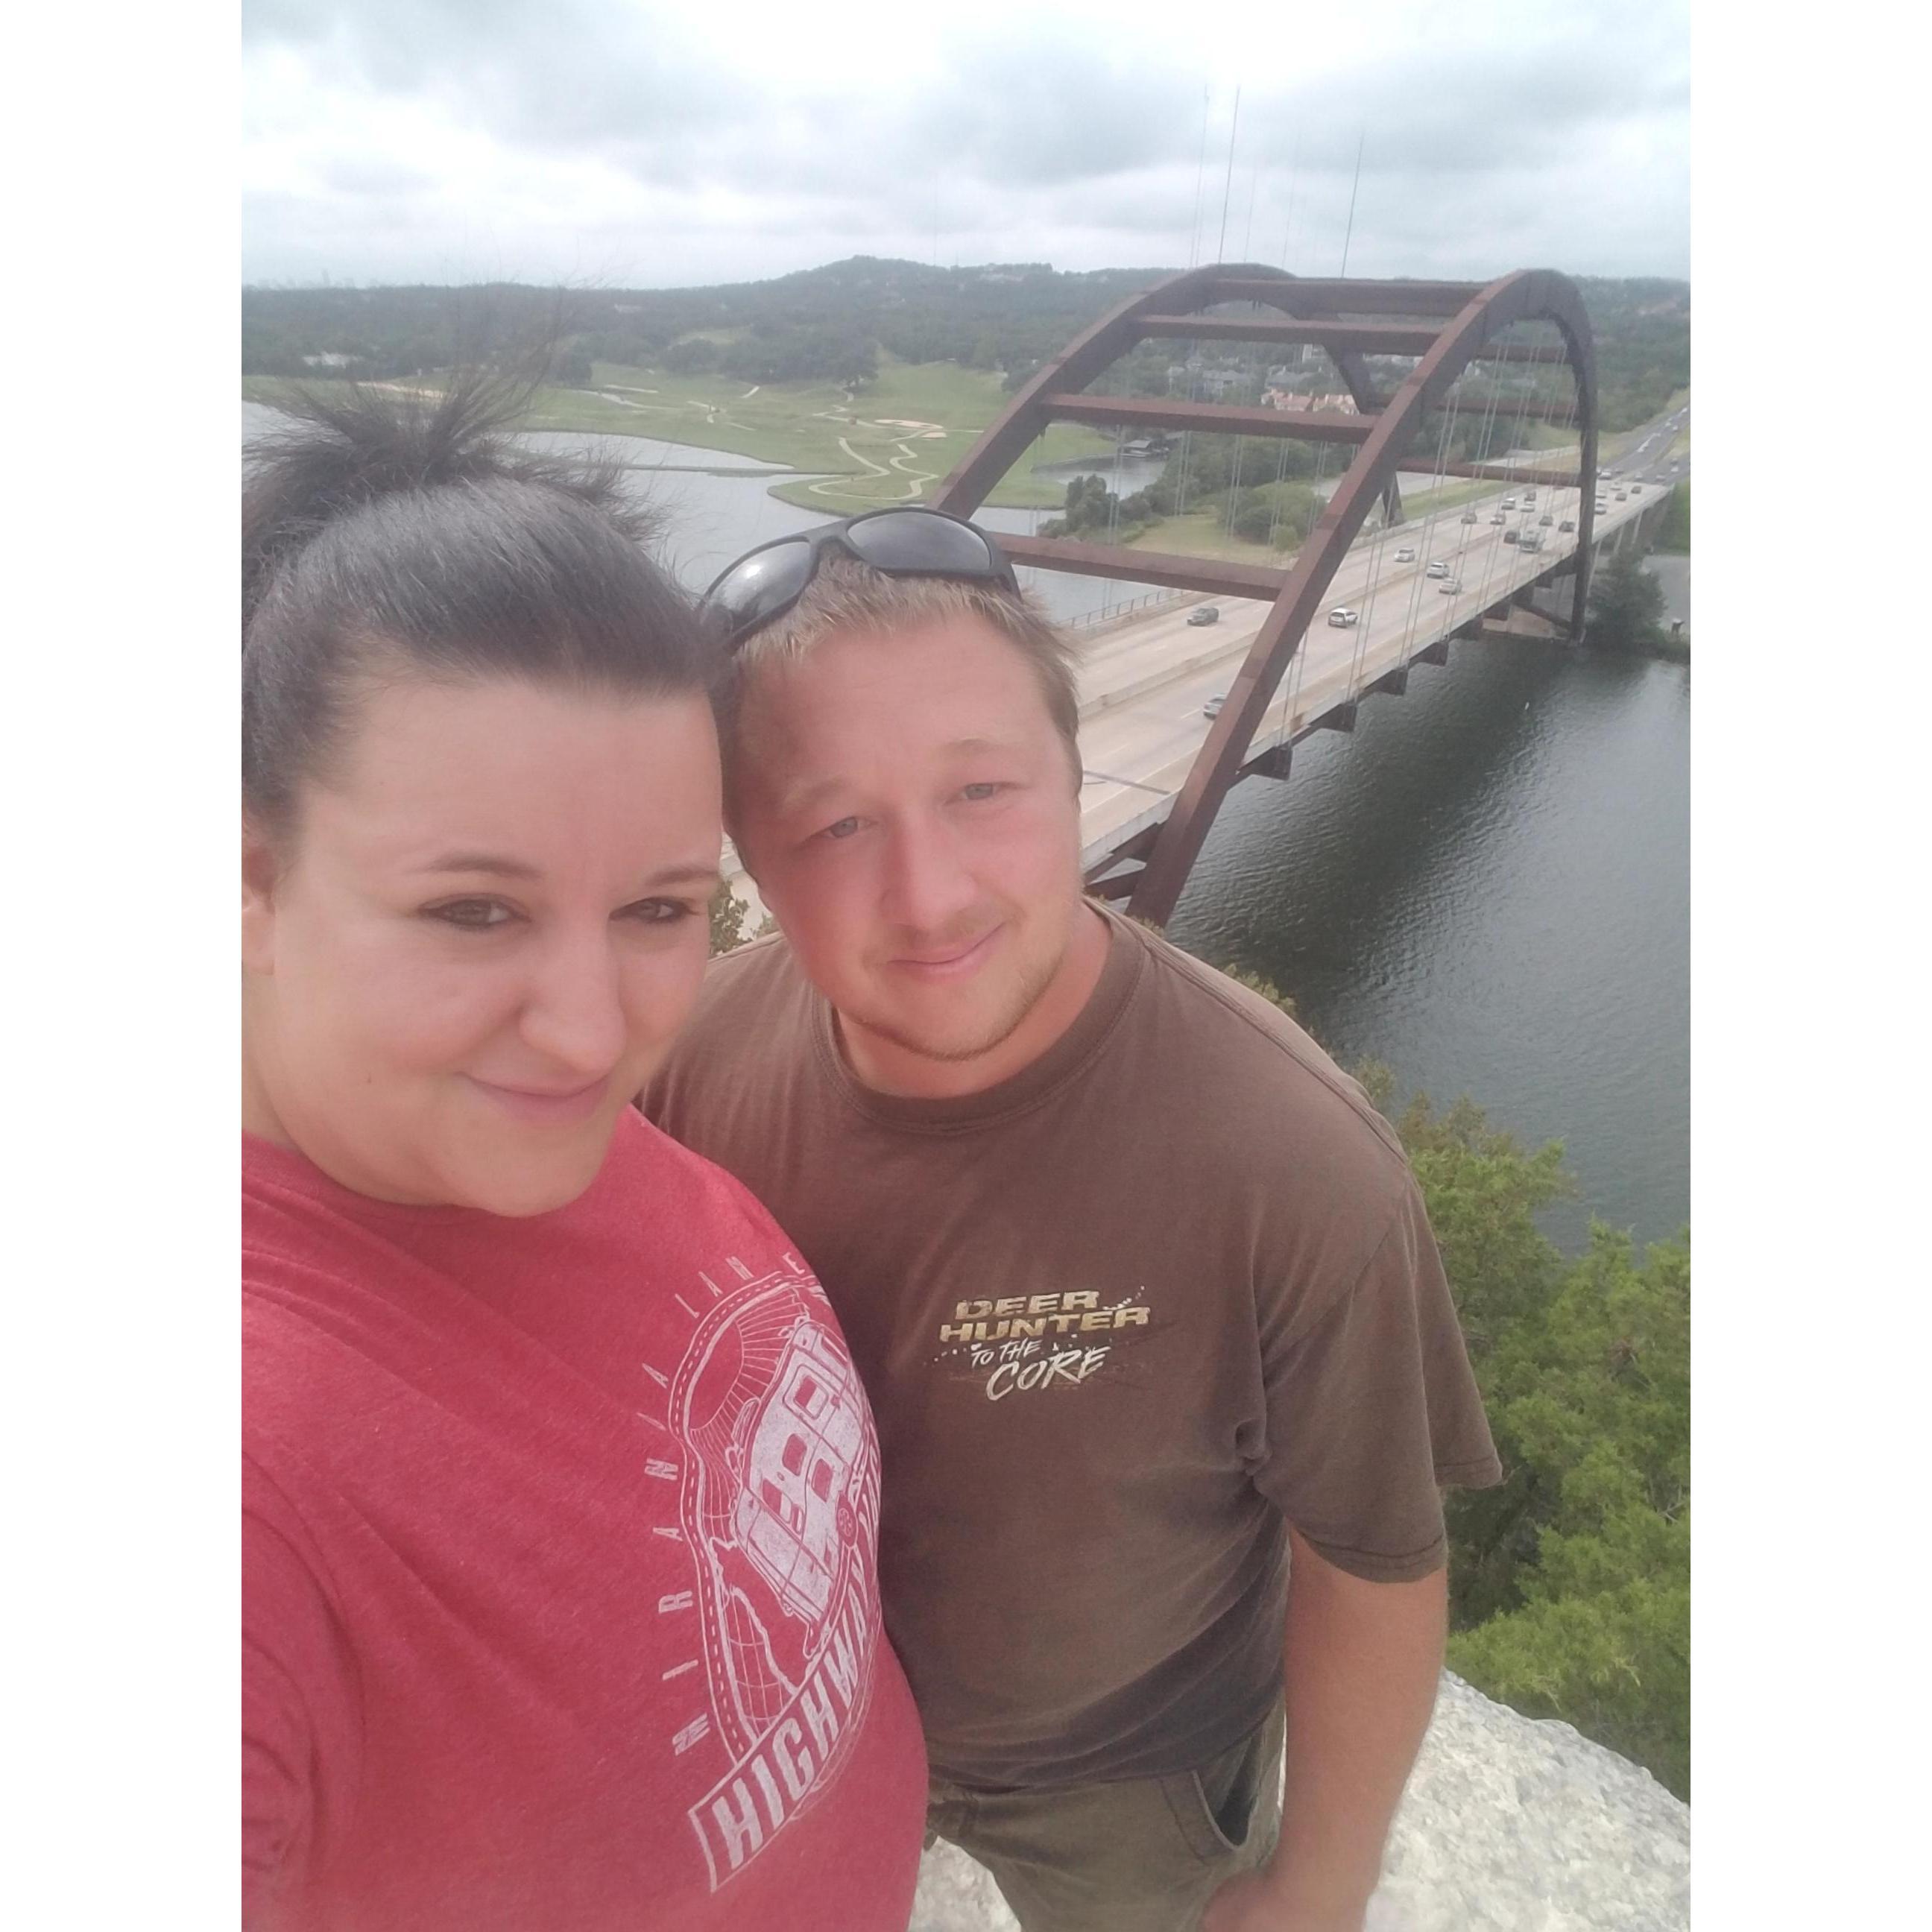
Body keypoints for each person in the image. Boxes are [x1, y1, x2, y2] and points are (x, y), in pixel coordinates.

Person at [643, 508, 1504, 1932]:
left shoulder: (1292, 1164)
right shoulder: (690, 1061)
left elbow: (1372, 1557)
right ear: (747, 855)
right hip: (812, 1727)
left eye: (983, 790)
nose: (927, 896)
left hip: (1131, 1776)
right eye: (834, 824)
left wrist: (1320, 1885)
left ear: (1072, 764)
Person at [242, 384, 926, 1932]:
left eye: (658, 910)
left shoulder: (510, 1140)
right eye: (473, 911)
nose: (586, 1034)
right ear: (251, 881)